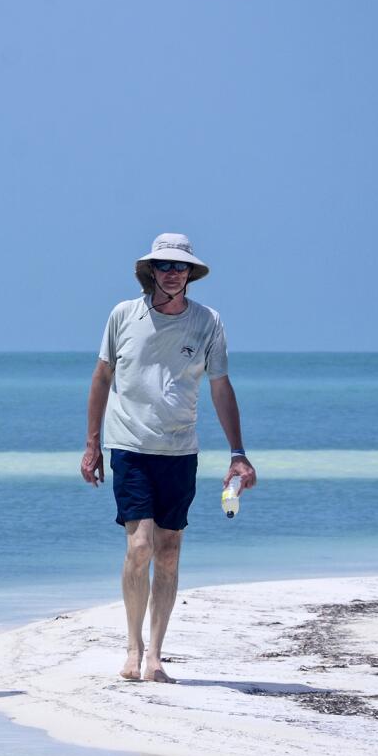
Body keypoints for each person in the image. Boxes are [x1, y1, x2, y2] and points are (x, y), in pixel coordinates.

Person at [80, 234, 257, 683]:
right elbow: (102, 378)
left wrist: (238, 453)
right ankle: (132, 647)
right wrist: (92, 444)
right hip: (130, 447)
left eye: (181, 267)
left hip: (180, 450)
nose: (173, 273)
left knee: (170, 551)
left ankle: (156, 654)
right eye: (164, 266)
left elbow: (220, 386)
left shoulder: (208, 322)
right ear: (151, 272)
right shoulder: (124, 314)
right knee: (139, 547)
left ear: (191, 274)